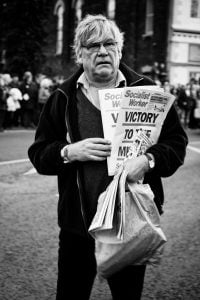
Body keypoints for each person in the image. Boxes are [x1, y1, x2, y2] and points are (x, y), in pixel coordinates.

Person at [28, 14, 188, 300]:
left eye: (109, 44)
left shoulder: (145, 90)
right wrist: (68, 152)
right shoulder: (62, 97)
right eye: (92, 45)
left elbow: (176, 143)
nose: (102, 51)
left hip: (129, 222)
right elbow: (38, 153)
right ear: (79, 53)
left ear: (120, 49)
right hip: (79, 225)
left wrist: (148, 161)